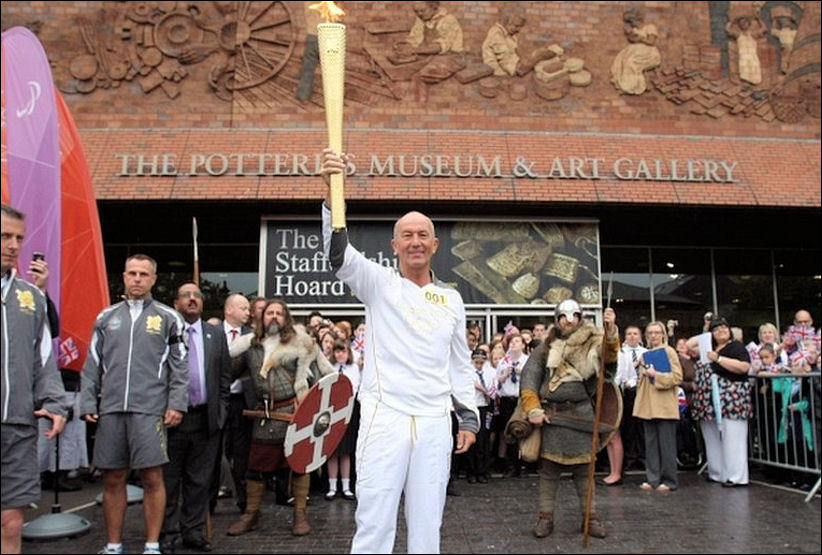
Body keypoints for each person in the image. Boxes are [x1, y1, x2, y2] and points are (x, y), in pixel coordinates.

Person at [321, 148, 478, 554]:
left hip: (433, 420)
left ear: (435, 244)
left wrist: (468, 416)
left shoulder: (452, 300)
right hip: (384, 416)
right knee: (374, 519)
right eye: (406, 235)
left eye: (422, 234)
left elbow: (459, 363)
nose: (415, 242)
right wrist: (331, 192)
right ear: (394, 245)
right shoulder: (378, 284)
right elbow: (338, 255)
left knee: (428, 524)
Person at [80, 254, 188, 555]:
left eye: (143, 274)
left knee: (153, 476)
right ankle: (114, 545)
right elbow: (92, 365)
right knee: (113, 477)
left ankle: (152, 545)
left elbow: (180, 366)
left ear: (154, 279)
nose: (137, 279)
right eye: (132, 273)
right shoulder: (106, 317)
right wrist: (88, 400)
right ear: (124, 277)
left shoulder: (168, 317)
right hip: (112, 408)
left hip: (149, 409)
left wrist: (176, 404)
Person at [226, 299, 333, 537]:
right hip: (264, 416)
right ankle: (251, 514)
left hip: (294, 413)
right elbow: (228, 372)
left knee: (299, 466)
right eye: (269, 313)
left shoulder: (299, 344)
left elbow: (317, 380)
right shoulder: (251, 347)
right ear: (260, 318)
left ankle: (299, 514)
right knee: (255, 468)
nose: (274, 317)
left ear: (286, 318)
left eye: (279, 313)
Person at [520, 299, 619, 539]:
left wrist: (611, 332)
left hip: (581, 414)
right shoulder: (544, 347)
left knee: (585, 471)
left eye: (574, 315)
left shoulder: (592, 343)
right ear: (558, 318)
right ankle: (545, 518)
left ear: (580, 317)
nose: (570, 319)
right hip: (552, 417)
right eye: (564, 316)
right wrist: (533, 409)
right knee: (549, 472)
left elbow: (607, 364)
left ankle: (591, 518)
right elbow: (529, 380)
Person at [1, 205, 68, 555]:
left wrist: (55, 403)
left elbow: (45, 361)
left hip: (18, 426)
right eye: (4, 236)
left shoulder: (32, 297)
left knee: (11, 522)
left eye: (18, 238)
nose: (13, 245)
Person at [160, 283, 231, 554]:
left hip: (206, 420)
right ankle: (167, 533)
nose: (192, 300)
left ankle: (193, 531)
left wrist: (220, 413)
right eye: (186, 296)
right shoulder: (166, 329)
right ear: (176, 302)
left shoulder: (215, 334)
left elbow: (224, 377)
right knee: (169, 480)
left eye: (197, 296)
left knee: (199, 482)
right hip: (172, 419)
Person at [687, 317, 752, 487]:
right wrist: (708, 329)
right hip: (708, 400)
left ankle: (736, 476)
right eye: (717, 330)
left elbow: (744, 367)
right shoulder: (708, 348)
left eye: (724, 328)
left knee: (733, 437)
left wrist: (719, 359)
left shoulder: (736, 346)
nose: (720, 331)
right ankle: (717, 472)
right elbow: (689, 345)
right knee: (711, 436)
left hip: (731, 397)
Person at [633, 321, 683, 491]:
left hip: (664, 404)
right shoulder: (646, 354)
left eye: (656, 332)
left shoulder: (669, 351)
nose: (653, 336)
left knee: (666, 444)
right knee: (651, 443)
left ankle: (669, 480)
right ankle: (653, 478)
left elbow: (677, 377)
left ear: (662, 334)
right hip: (648, 404)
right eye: (650, 332)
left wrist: (657, 375)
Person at [395, 1, 466, 104]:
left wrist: (414, 50)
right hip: (432, 56)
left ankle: (419, 106)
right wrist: (405, 46)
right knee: (404, 70)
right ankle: (403, 100)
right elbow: (415, 39)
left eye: (422, 11)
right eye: (416, 11)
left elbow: (440, 47)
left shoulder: (448, 20)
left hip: (452, 57)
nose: (419, 14)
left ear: (433, 7)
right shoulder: (421, 19)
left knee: (420, 76)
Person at [481, 6, 562, 77]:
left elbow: (520, 57)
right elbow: (518, 70)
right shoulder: (496, 36)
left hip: (510, 74)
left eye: (520, 27)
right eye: (516, 26)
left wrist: (535, 55)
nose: (518, 30)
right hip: (498, 78)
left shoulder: (510, 35)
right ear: (505, 22)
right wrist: (538, 57)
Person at [325, 340, 361, 500]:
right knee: (332, 450)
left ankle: (346, 487)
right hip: (331, 410)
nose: (340, 355)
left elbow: (354, 387)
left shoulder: (354, 368)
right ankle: (332, 486)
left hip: (349, 409)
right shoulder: (328, 368)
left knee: (346, 450)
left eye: (343, 351)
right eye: (337, 352)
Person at [610, 8, 661, 95]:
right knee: (620, 61)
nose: (632, 24)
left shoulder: (649, 27)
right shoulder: (634, 30)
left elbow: (651, 41)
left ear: (638, 20)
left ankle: (632, 87)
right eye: (630, 22)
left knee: (631, 62)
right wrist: (630, 33)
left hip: (648, 52)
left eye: (633, 21)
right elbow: (632, 40)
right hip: (634, 51)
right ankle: (623, 84)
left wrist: (640, 38)